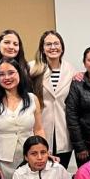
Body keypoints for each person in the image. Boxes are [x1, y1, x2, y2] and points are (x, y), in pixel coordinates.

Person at [0, 58, 45, 179]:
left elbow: (38, 129)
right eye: (1, 74)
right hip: (3, 161)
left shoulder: (32, 99)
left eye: (11, 73)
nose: (7, 77)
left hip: (30, 158)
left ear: (19, 73)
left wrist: (44, 152)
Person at [29, 30, 77, 167]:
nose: (53, 47)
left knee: (60, 173)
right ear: (42, 48)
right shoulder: (32, 68)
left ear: (62, 47)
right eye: (48, 44)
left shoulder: (70, 70)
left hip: (64, 129)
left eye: (56, 43)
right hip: (40, 126)